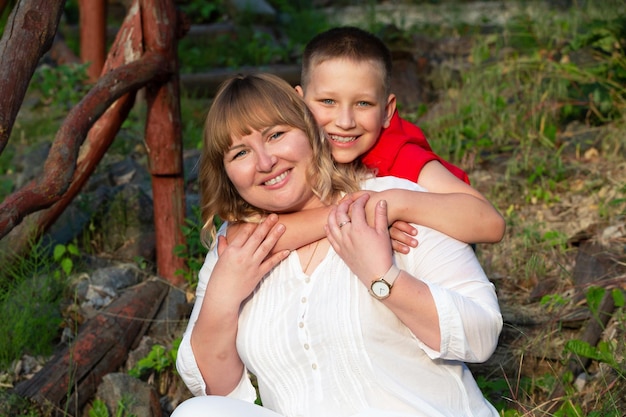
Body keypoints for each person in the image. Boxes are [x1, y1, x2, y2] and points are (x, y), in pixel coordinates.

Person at [173, 73, 503, 417]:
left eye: (276, 135)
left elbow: (481, 335)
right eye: (241, 152)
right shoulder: (238, 247)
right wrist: (222, 298)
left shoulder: (390, 202)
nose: (265, 162)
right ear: (225, 172)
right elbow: (218, 391)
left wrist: (383, 277)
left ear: (311, 130)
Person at [252, 26, 505, 254]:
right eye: (328, 101)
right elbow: (256, 235)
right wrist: (360, 216)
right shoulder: (291, 148)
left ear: (387, 111)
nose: (345, 121)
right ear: (300, 102)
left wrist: (393, 205)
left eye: (363, 103)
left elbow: (491, 224)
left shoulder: (398, 152)